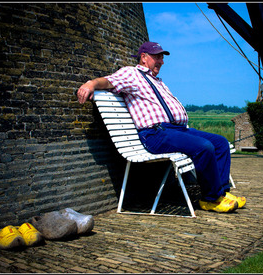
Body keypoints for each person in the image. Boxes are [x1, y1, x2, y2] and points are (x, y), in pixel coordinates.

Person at [77, 41, 246, 213]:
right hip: (155, 134)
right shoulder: (132, 73)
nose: (162, 61)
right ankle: (211, 199)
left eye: (162, 57)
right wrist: (91, 84)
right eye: (157, 57)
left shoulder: (157, 81)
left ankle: (222, 193)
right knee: (204, 147)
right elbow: (109, 81)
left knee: (221, 143)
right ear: (144, 57)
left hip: (177, 130)